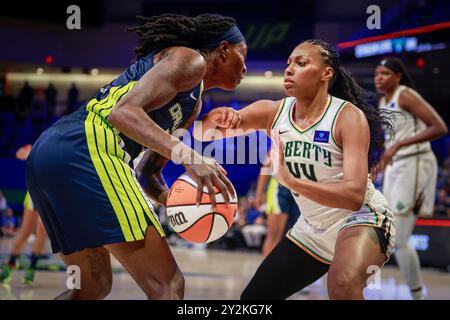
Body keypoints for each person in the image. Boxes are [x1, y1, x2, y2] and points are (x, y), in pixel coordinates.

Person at [25, 13, 246, 300]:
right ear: (225, 50)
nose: (245, 67)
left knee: (91, 288)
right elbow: (124, 112)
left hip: (50, 154)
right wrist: (190, 157)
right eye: (244, 54)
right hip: (88, 146)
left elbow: (148, 173)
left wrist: (179, 202)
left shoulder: (193, 104)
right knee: (168, 286)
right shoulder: (191, 59)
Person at [194, 39, 396, 299]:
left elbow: (354, 195)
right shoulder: (273, 112)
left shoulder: (347, 116)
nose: (289, 69)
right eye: (288, 63)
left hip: (361, 218)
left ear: (326, 74)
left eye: (301, 63)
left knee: (342, 284)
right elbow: (202, 133)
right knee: (253, 300)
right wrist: (216, 117)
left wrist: (292, 182)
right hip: (312, 228)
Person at [374, 58, 448, 299]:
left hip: (415, 161)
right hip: (397, 165)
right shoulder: (383, 100)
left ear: (398, 76)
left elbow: (439, 127)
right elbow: (389, 145)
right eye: (377, 73)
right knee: (390, 235)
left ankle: (418, 295)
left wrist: (400, 145)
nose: (379, 77)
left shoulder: (405, 95)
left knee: (400, 238)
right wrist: (380, 164)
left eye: (385, 73)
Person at [0, 144, 48, 286]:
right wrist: (30, 153)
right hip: (34, 194)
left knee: (41, 233)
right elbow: (19, 153)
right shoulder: (39, 147)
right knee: (24, 233)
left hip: (50, 196)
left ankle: (31, 269)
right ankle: (11, 264)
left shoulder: (63, 150)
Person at [255, 155, 300, 257]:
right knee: (274, 235)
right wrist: (259, 192)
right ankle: (267, 272)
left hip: (301, 187)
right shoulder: (282, 138)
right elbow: (268, 162)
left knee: (298, 238)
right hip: (280, 188)